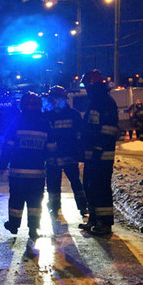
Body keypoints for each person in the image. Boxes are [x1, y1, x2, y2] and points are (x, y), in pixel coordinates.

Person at [0, 92, 52, 240]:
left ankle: (14, 225)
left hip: (18, 173)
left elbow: (7, 146)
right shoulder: (44, 124)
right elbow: (51, 148)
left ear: (22, 106)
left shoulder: (17, 123)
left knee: (16, 199)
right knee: (35, 202)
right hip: (38, 173)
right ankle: (33, 229)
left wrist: (3, 165)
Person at [79, 70, 119, 236]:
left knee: (101, 188)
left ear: (92, 85)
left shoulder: (104, 102)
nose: (86, 89)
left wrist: (97, 148)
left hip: (101, 155)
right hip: (93, 155)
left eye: (87, 85)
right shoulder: (96, 101)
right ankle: (94, 219)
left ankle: (105, 223)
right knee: (90, 187)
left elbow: (107, 130)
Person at [44, 86, 87, 217]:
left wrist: (79, 152)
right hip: (53, 158)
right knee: (53, 185)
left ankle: (83, 206)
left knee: (75, 182)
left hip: (69, 156)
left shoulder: (74, 114)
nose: (53, 101)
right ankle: (54, 206)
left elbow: (80, 135)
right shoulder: (47, 116)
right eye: (52, 99)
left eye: (56, 99)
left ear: (64, 99)